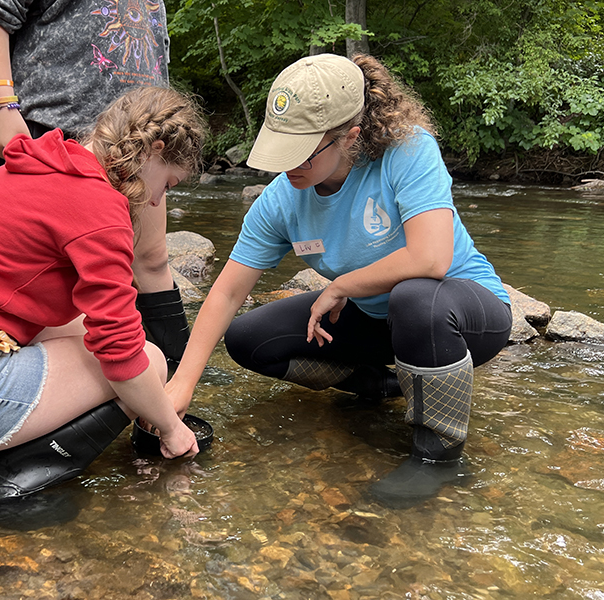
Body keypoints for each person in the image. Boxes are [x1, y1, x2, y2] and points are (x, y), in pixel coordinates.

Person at [166, 54, 513, 507]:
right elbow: (228, 291)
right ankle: (384, 386)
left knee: (415, 298)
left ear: (349, 137)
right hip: (379, 323)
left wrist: (340, 286)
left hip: (459, 316)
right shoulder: (281, 199)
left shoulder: (408, 151)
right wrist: (183, 384)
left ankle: (437, 455)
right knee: (249, 338)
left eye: (301, 152)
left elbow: (431, 258)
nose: (286, 167)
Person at [0, 86, 206, 510]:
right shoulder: (100, 206)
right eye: (168, 184)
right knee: (148, 362)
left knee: (90, 332)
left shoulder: (44, 163)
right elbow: (120, 352)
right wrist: (171, 427)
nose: (157, 200)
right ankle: (2, 485)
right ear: (154, 150)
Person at [0, 0, 189, 373]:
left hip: (144, 142)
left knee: (151, 258)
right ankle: (39, 388)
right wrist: (2, 105)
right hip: (56, 127)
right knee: (53, 275)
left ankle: (178, 377)